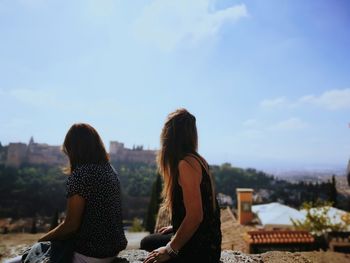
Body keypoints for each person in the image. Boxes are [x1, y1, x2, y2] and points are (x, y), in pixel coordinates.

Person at [6, 123, 127, 263]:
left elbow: (70, 225)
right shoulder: (110, 171)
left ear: (73, 149)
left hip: (89, 254)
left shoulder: (81, 175)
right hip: (110, 252)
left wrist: (41, 240)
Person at [143, 109, 222, 263]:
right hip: (209, 244)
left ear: (169, 136)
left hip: (200, 252)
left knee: (147, 243)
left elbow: (196, 216)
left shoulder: (185, 165)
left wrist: (169, 249)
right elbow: (204, 209)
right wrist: (177, 226)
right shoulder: (198, 160)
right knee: (151, 240)